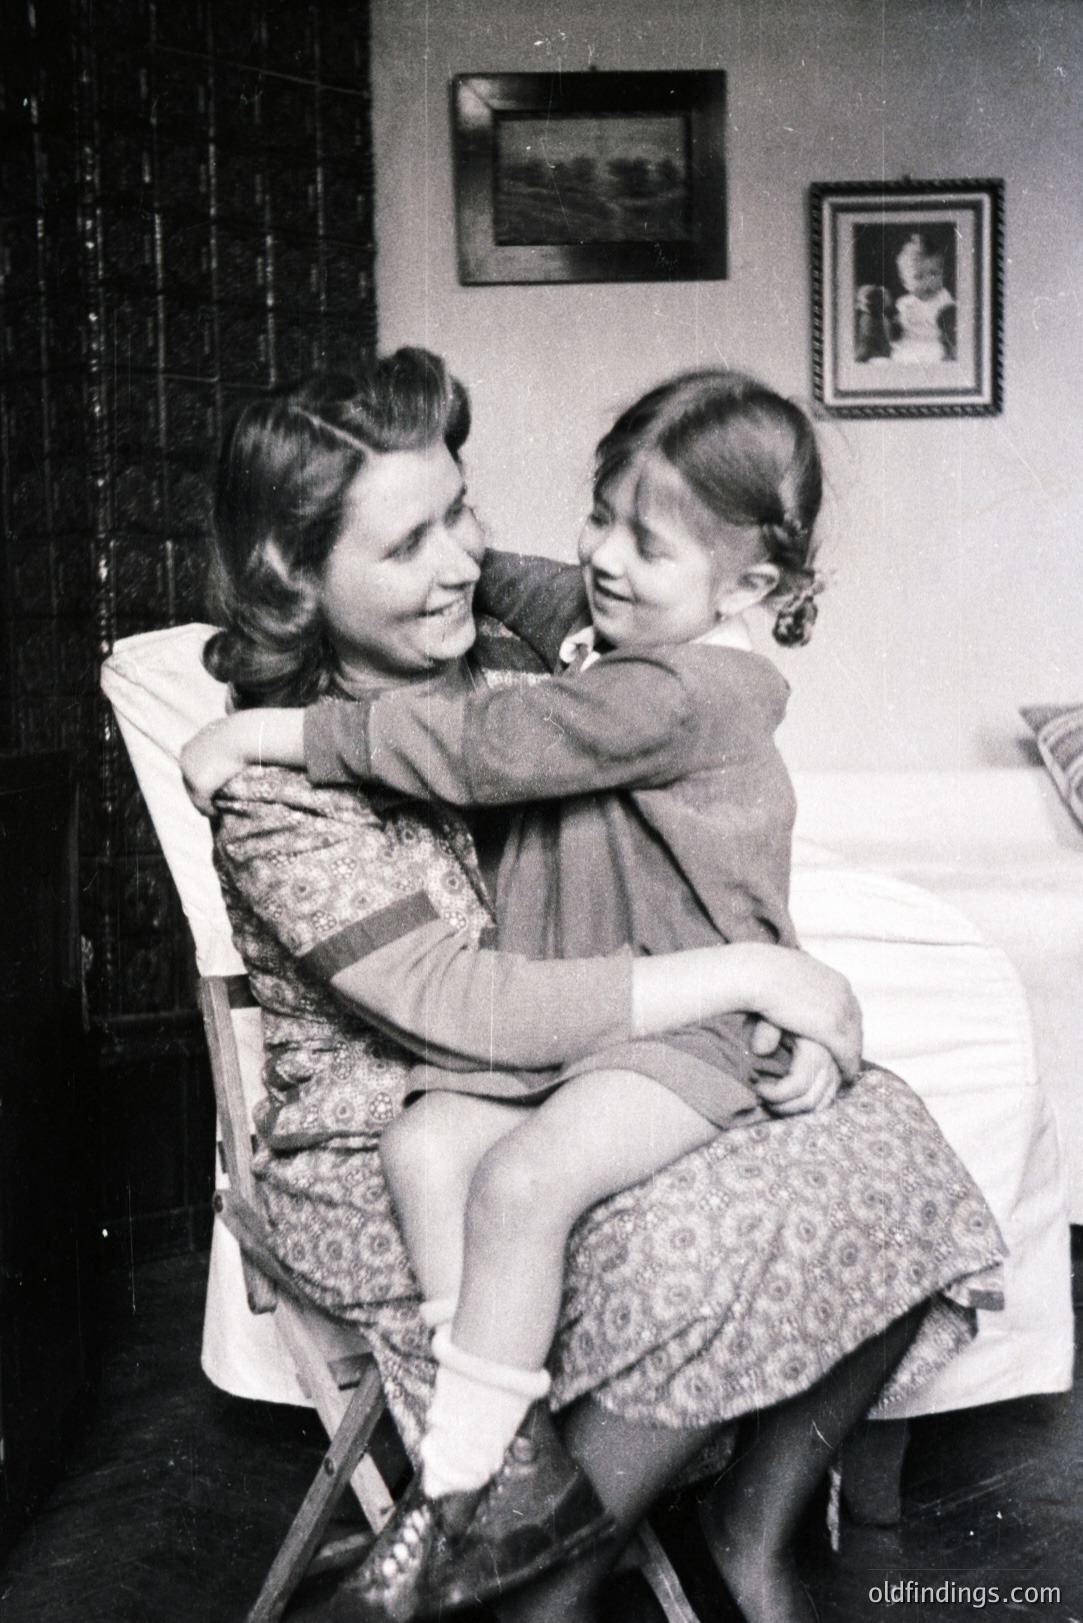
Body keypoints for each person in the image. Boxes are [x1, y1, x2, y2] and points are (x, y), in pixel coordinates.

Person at [183, 352, 1003, 1623]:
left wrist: (788, 999)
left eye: (462, 511)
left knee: (878, 1126)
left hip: (561, 1068)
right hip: (390, 1118)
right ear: (299, 575)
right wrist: (755, 970)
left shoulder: (531, 645)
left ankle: (754, 1523)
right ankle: (538, 1565)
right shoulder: (279, 793)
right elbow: (461, 1007)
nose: (462, 561)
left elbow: (584, 619)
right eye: (411, 544)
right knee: (683, 1228)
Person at [891, 234, 956, 363]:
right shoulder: (904, 303)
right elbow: (897, 329)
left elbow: (951, 330)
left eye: (933, 274)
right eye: (919, 277)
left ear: (942, 273)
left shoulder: (944, 299)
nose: (927, 282)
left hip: (936, 345)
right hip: (909, 345)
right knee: (895, 356)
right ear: (905, 281)